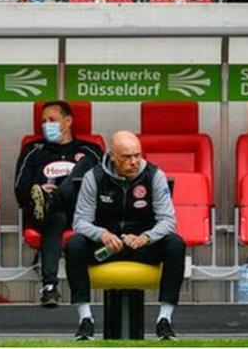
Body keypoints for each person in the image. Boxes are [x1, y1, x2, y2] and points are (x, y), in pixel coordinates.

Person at [65, 131, 185, 341]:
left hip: (141, 246)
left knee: (175, 244)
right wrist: (102, 234)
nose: (134, 162)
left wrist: (146, 237)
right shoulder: (94, 177)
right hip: (106, 247)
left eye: (137, 156)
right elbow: (80, 222)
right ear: (112, 156)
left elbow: (168, 221)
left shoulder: (154, 175)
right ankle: (85, 320)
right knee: (74, 244)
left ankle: (164, 320)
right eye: (127, 157)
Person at [15, 101, 103, 307]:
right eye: (44, 121)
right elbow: (20, 188)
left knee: (86, 165)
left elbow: (106, 182)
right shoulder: (33, 150)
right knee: (55, 216)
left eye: (52, 120)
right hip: (46, 214)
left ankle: (50, 289)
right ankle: (49, 287)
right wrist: (37, 189)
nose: (47, 125)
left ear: (68, 121)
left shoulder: (90, 150)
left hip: (84, 210)